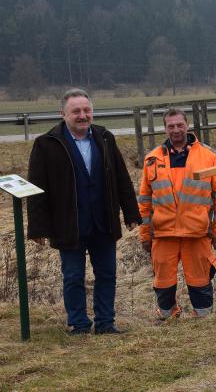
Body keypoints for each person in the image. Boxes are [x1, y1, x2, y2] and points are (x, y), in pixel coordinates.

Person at [27, 89, 141, 335]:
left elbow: (122, 178)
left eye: (86, 110)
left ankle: (105, 323)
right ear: (63, 114)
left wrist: (131, 213)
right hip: (68, 224)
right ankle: (78, 324)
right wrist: (37, 228)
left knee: (107, 274)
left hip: (104, 222)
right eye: (76, 111)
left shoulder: (105, 138)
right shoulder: (46, 144)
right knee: (73, 277)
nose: (83, 115)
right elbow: (37, 189)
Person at [138, 107, 216, 319]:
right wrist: (144, 234)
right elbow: (144, 202)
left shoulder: (209, 156)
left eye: (180, 125)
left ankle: (204, 317)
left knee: (200, 278)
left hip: (196, 232)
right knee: (162, 280)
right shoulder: (152, 159)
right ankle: (167, 316)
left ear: (187, 125)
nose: (176, 130)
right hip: (163, 233)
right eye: (171, 126)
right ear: (165, 129)